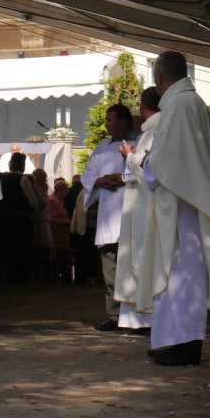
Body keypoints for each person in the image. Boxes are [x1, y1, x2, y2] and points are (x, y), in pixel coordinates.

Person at [134, 51, 210, 366]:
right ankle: (172, 339)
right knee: (175, 274)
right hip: (184, 199)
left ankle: (186, 344)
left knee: (183, 273)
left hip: (183, 203)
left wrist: (143, 162)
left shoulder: (180, 105)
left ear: (158, 78)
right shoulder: (188, 102)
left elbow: (167, 160)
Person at [81, 103, 138, 331]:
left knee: (133, 267)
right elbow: (88, 173)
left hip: (132, 212)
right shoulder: (102, 146)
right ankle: (114, 315)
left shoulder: (140, 141)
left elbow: (146, 169)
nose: (106, 124)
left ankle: (136, 315)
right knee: (111, 268)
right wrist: (98, 181)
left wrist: (125, 178)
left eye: (110, 120)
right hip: (108, 214)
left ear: (123, 121)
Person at [113, 87, 160, 334]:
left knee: (142, 258)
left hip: (145, 207)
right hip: (141, 206)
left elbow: (148, 171)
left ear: (142, 107)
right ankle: (137, 317)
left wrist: (129, 157)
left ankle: (145, 318)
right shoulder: (151, 131)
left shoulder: (154, 131)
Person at [0, 152, 33, 284]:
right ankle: (21, 277)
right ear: (22, 165)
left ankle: (8, 277)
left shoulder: (3, 178)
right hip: (22, 218)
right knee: (21, 247)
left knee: (9, 247)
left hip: (6, 218)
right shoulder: (23, 179)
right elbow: (32, 201)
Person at [24, 168, 53, 282]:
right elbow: (41, 203)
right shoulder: (36, 188)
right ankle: (41, 275)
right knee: (42, 247)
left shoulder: (35, 186)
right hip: (40, 220)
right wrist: (44, 193)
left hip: (41, 219)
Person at [48, 178, 72, 283]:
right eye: (66, 189)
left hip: (63, 232)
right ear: (60, 190)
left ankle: (65, 276)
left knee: (64, 254)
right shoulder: (52, 201)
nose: (67, 192)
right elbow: (52, 218)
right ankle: (57, 276)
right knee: (58, 254)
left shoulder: (61, 201)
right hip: (57, 232)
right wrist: (65, 221)